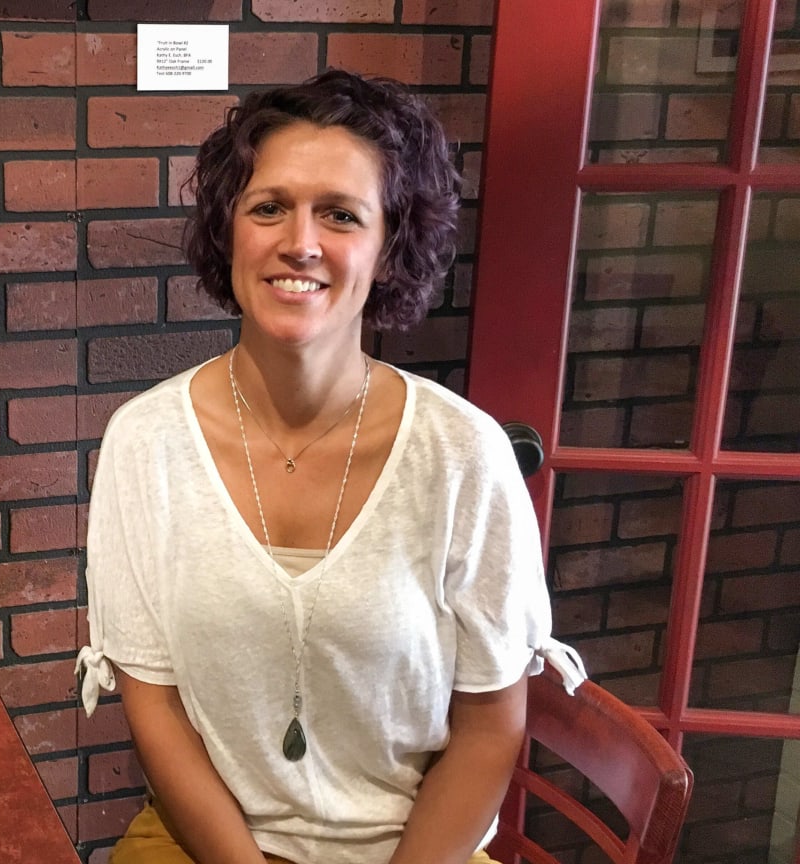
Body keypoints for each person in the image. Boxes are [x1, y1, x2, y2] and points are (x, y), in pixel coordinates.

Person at [74, 70, 585, 864]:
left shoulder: (462, 454)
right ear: (228, 231)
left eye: (341, 214)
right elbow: (156, 708)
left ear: (389, 247)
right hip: (210, 848)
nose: (300, 243)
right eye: (269, 207)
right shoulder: (144, 443)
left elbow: (491, 726)